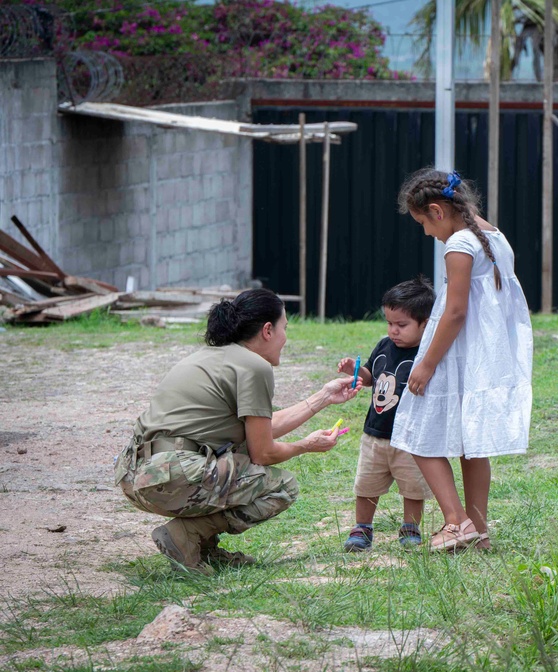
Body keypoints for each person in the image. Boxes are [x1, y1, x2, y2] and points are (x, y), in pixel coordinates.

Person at [114, 288, 359, 574]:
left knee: (235, 455)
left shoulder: (214, 356)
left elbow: (259, 431)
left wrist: (323, 398)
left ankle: (202, 550)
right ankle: (187, 535)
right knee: (281, 487)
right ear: (268, 330)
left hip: (137, 475)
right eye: (284, 328)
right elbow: (264, 452)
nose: (285, 338)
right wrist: (305, 445)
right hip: (170, 478)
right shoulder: (254, 366)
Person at [391, 168, 533, 552]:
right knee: (473, 444)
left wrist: (426, 364)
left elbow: (455, 313)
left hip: (455, 352)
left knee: (416, 432)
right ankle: (480, 532)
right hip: (483, 355)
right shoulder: (494, 237)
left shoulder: (459, 244)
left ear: (437, 211)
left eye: (422, 222)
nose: (425, 232)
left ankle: (456, 522)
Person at [337, 277, 437, 552]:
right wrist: (355, 372)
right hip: (375, 434)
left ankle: (410, 527)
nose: (393, 331)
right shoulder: (383, 345)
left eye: (401, 325)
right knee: (366, 484)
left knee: (413, 487)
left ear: (425, 323)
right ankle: (362, 527)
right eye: (390, 323)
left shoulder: (427, 355)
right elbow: (370, 376)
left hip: (409, 437)